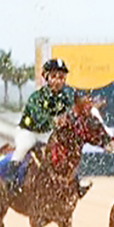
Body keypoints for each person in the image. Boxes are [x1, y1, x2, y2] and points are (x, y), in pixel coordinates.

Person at [10, 57, 79, 189]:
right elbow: (38, 116)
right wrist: (54, 121)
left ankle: (76, 182)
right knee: (24, 146)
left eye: (61, 77)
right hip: (30, 131)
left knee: (67, 150)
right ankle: (12, 181)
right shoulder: (37, 97)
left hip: (48, 134)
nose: (58, 81)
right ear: (46, 78)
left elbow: (71, 112)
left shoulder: (66, 97)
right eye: (54, 76)